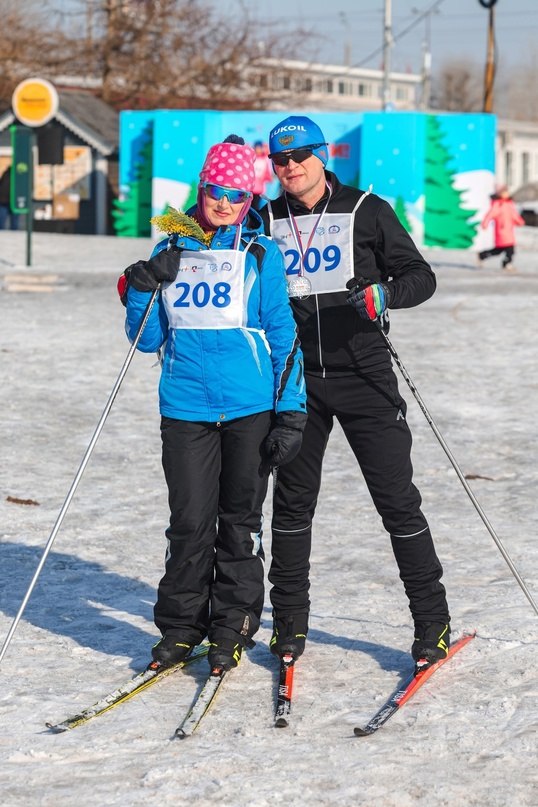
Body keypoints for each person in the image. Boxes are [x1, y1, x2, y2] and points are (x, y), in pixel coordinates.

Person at [259, 115, 450, 667]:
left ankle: (431, 624)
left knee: (397, 502)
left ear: (322, 156)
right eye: (280, 161)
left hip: (364, 376)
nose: (290, 168)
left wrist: (387, 293)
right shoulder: (265, 218)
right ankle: (289, 625)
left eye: (299, 157)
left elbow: (421, 275)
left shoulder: (367, 210)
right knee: (292, 506)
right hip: (295, 381)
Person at [119, 134, 307, 672]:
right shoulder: (170, 250)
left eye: (237, 195)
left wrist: (290, 410)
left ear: (250, 202)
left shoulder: (259, 255)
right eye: (216, 191)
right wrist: (142, 287)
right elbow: (148, 339)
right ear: (201, 190)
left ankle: (232, 625)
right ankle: (181, 628)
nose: (224, 203)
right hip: (185, 409)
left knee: (239, 523)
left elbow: (282, 333)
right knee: (189, 524)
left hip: (249, 409)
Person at [477, 185, 524, 272]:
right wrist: (485, 224)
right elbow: (489, 215)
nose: (506, 194)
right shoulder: (498, 204)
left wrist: (519, 221)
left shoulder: (509, 203)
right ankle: (506, 264)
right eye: (504, 192)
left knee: (500, 250)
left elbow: (514, 215)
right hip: (501, 231)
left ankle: (482, 255)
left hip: (509, 230)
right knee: (508, 250)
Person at [252, 141, 273, 210]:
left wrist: (268, 178)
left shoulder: (264, 160)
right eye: (256, 148)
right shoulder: (252, 158)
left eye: (259, 148)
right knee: (249, 204)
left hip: (259, 187)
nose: (258, 150)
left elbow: (267, 172)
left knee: (256, 204)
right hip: (251, 187)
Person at [0, 166, 19, 231]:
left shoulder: (20, 175)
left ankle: (14, 239)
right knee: (1, 221)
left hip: (15, 202)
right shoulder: (6, 173)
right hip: (4, 201)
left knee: (14, 223)